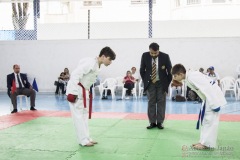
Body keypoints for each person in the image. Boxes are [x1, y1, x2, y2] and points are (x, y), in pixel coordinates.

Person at [66, 46, 116, 147]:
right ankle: (83, 140)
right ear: (103, 56)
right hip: (76, 91)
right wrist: (73, 92)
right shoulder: (90, 63)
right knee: (78, 117)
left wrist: (87, 92)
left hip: (84, 91)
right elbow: (75, 75)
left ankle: (87, 138)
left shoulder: (96, 64)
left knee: (84, 115)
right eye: (109, 59)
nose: (110, 62)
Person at [171, 64, 227, 150]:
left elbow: (208, 88)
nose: (174, 78)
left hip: (212, 97)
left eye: (175, 76)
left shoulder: (192, 76)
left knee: (210, 120)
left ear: (181, 74)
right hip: (208, 98)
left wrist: (214, 103)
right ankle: (202, 141)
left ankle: (206, 144)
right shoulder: (189, 77)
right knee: (205, 119)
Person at [140, 42, 172, 130]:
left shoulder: (165, 56)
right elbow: (142, 70)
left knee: (161, 102)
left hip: (161, 83)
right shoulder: (145, 55)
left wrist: (166, 83)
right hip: (150, 83)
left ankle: (160, 122)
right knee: (151, 102)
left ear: (158, 50)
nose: (153, 54)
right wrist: (146, 81)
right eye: (152, 53)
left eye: (155, 53)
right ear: (149, 50)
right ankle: (152, 122)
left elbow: (170, 72)